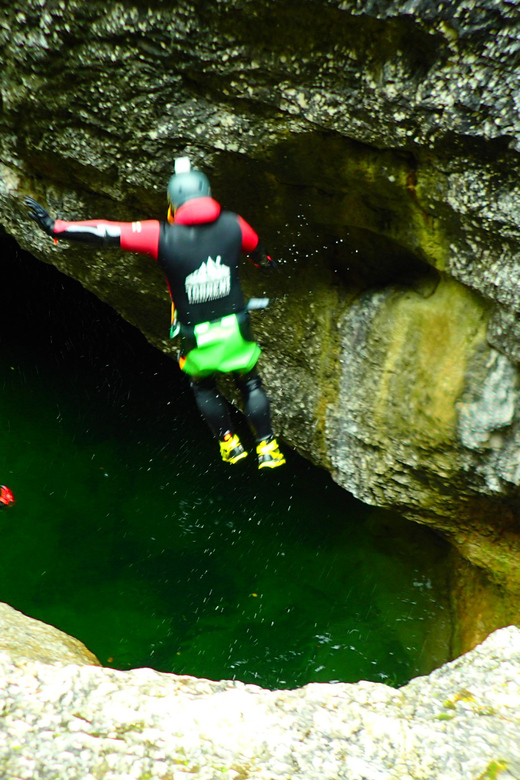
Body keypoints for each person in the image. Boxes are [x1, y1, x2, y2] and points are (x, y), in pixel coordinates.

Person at [26, 158, 285, 469]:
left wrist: (58, 227)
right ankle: (267, 446)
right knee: (250, 384)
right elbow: (261, 255)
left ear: (174, 205)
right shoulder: (234, 224)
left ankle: (229, 442)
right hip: (236, 326)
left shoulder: (160, 235)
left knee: (203, 385)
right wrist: (268, 264)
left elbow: (108, 232)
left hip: (196, 334)